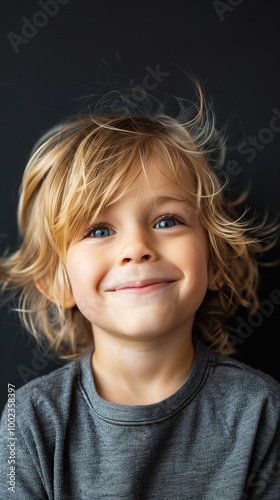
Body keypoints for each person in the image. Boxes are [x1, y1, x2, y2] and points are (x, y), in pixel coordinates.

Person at [0, 84, 279, 499]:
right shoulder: (29, 417)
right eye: (98, 230)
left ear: (215, 262)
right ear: (57, 283)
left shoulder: (262, 410)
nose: (137, 249)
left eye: (167, 221)